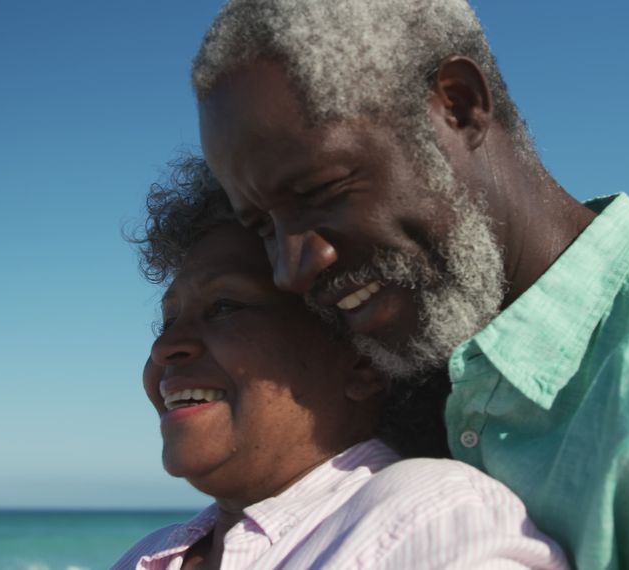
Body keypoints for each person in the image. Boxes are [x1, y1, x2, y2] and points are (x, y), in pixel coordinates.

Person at [191, 1, 629, 568]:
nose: (292, 268)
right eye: (263, 227)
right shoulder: (403, 363)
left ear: (458, 105)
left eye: (322, 190)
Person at [112, 158, 567, 569]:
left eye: (226, 306)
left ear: (363, 360)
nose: (165, 347)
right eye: (167, 321)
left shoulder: (431, 520)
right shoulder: (155, 553)